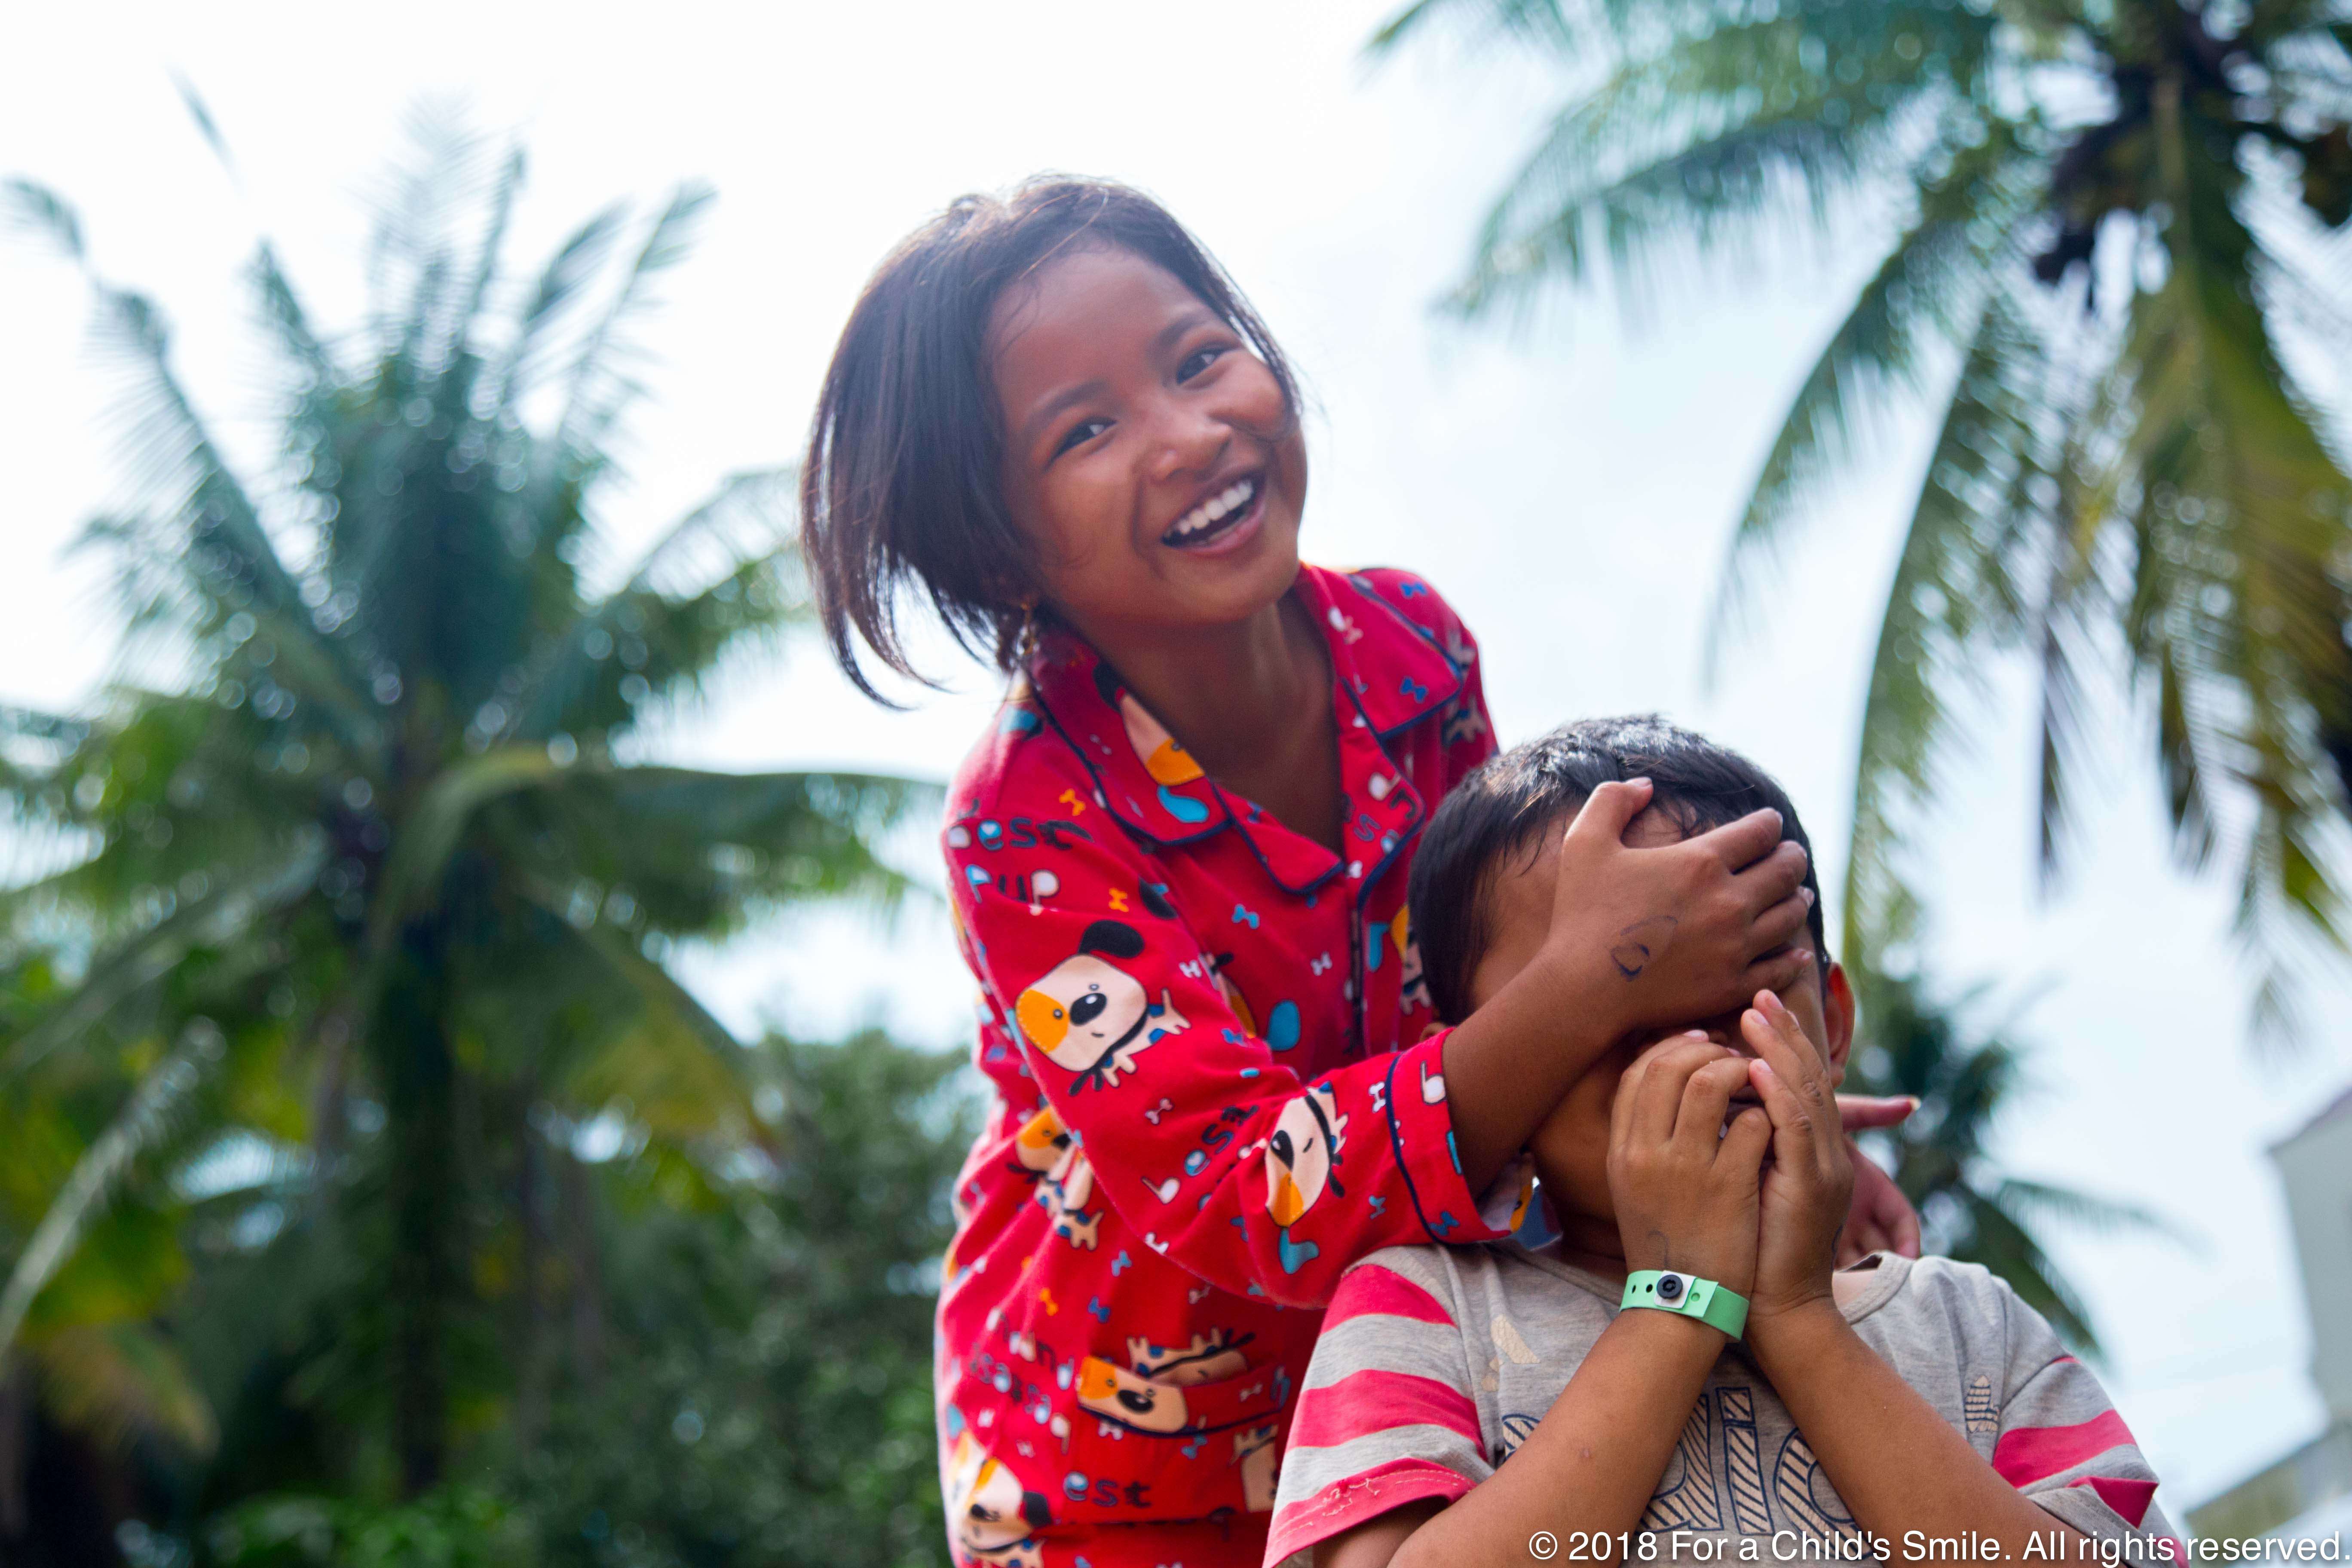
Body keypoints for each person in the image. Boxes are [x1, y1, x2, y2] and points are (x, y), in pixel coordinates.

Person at [799, 180, 1920, 1568]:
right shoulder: (1027, 814)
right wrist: (1598, 975)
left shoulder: (1412, 648)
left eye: (1199, 355)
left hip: (1431, 1381)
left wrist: (1756, 1104)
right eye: (1083, 429)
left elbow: (1496, 963)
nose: (1188, 433)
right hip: (1122, 1476)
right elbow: (1236, 1190)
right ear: (998, 549)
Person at [1269, 717, 2174, 1568]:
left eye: (1731, 998)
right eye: (1616, 1014)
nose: (1691, 1060)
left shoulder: (1969, 1326)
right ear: (1501, 1063)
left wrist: (1798, 1321)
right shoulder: (1423, 1318)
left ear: (1834, 1021)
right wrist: (1677, 1304)